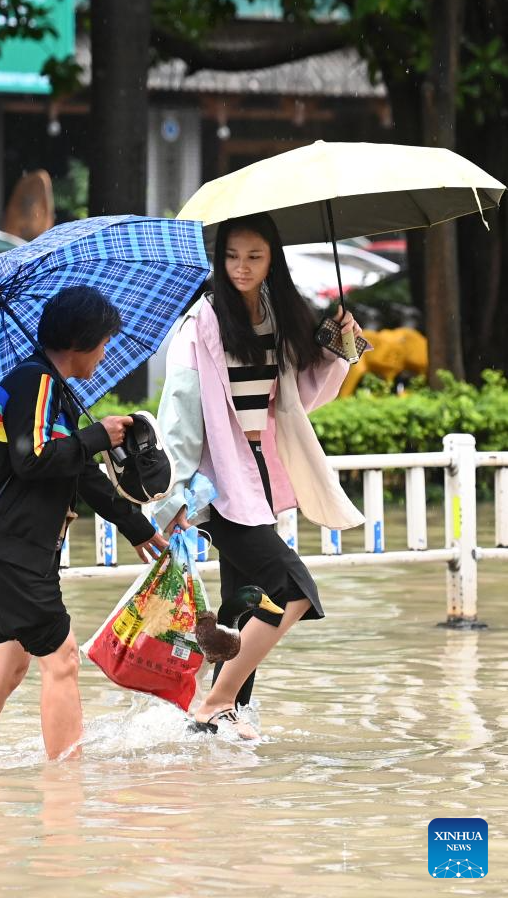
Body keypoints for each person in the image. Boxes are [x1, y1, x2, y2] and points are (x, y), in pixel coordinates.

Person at [152, 213, 364, 739]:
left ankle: (220, 726)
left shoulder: (279, 316)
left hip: (259, 473)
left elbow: (300, 397)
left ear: (273, 260)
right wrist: (171, 500)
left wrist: (341, 343)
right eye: (231, 256)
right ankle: (215, 703)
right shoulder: (200, 323)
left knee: (243, 602)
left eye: (254, 256)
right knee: (291, 589)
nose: (241, 268)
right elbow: (179, 417)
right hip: (216, 482)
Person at [0, 285, 168, 761]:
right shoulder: (36, 382)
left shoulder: (49, 387)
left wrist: (137, 526)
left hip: (1, 548)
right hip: (12, 549)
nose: (104, 353)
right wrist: (96, 435)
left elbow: (80, 473)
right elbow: (32, 458)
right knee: (63, 659)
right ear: (79, 341)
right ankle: (67, 785)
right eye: (103, 342)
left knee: (5, 669)